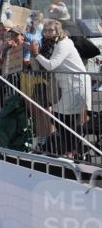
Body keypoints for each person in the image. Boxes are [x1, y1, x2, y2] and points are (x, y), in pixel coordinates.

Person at [32, 18, 88, 158]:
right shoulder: (54, 44)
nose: (47, 32)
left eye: (51, 30)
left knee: (67, 119)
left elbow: (51, 65)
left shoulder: (63, 44)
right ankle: (71, 149)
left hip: (75, 84)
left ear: (58, 31)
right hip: (66, 84)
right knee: (58, 116)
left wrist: (36, 54)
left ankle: (74, 151)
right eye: (45, 30)